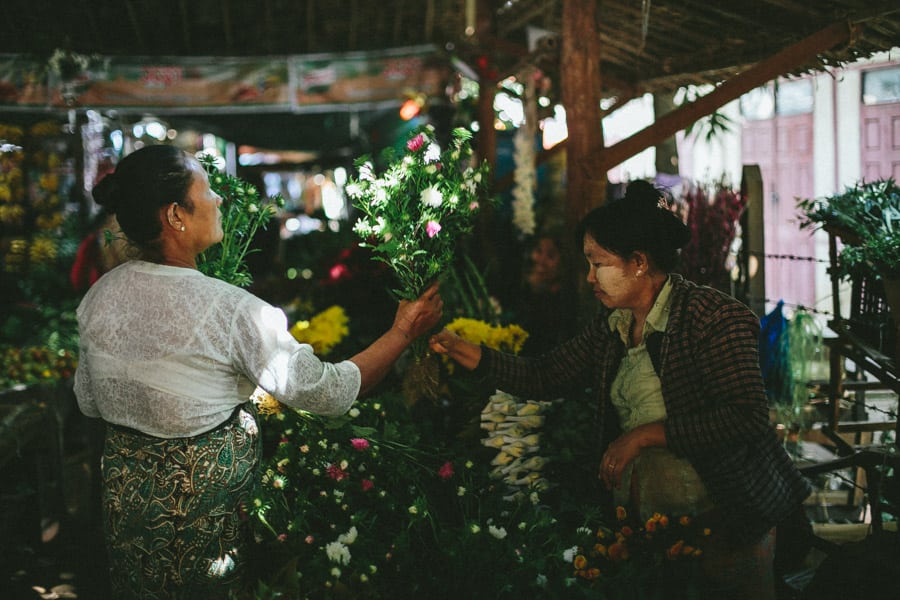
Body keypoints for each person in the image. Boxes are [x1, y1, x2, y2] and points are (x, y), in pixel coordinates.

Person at [73, 144, 443, 599]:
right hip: (205, 534)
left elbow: (90, 401)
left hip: (130, 518)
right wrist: (403, 331)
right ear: (175, 215)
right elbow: (328, 392)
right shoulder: (230, 310)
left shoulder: (97, 299)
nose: (219, 200)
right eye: (207, 191)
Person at [429, 180, 811, 599]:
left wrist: (645, 435)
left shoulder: (713, 317)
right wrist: (461, 349)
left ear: (639, 262)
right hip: (654, 518)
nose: (590, 277)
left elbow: (746, 416)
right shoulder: (614, 325)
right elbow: (544, 376)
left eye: (598, 263)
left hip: (727, 514)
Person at [510, 229, 579, 356]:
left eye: (551, 256)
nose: (540, 260)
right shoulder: (527, 292)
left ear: (563, 265)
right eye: (538, 251)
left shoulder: (561, 304)